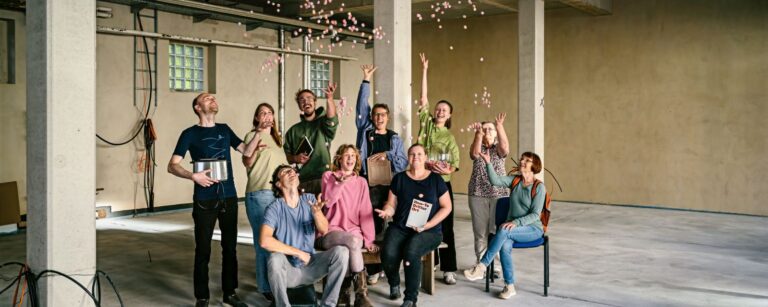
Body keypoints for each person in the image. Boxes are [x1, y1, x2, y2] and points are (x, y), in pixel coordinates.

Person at [168, 93, 261, 307]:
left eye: (214, 97)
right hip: (204, 199)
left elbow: (246, 150)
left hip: (228, 196)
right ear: (197, 107)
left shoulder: (225, 129)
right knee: (203, 249)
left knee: (230, 247)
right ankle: (202, 297)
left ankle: (230, 293)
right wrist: (193, 176)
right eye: (207, 98)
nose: (213, 99)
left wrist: (258, 132)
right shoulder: (189, 134)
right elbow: (171, 165)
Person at [260, 165, 349, 307]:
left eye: (293, 170)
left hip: (311, 266)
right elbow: (265, 241)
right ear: (278, 183)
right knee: (275, 258)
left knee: (342, 252)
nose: (291, 172)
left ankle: (328, 305)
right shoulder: (274, 208)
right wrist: (299, 253)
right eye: (285, 172)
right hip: (289, 270)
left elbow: (324, 229)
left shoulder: (309, 199)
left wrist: (317, 213)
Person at [376, 144, 453, 307]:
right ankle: (394, 281)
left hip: (429, 231)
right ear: (408, 158)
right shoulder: (399, 178)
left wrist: (428, 224)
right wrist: (387, 212)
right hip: (401, 227)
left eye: (419, 154)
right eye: (411, 154)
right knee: (388, 252)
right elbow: (391, 204)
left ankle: (410, 299)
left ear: (425, 157)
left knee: (411, 251)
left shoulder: (436, 180)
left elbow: (447, 207)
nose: (415, 157)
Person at [463, 152, 547, 300]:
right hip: (513, 229)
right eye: (522, 159)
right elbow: (495, 180)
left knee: (503, 229)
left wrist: (516, 222)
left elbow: (535, 215)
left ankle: (482, 267)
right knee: (504, 245)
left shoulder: (539, 187)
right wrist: (488, 162)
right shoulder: (515, 181)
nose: (522, 161)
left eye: (527, 160)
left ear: (534, 166)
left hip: (533, 229)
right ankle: (510, 286)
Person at [354, 64, 408, 285]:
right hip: (369, 184)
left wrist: (387, 155)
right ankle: (374, 268)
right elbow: (361, 108)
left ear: (388, 117)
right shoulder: (365, 131)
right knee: (372, 226)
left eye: (383, 115)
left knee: (392, 227)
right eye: (375, 115)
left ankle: (390, 263)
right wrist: (366, 81)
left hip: (390, 186)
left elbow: (403, 162)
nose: (379, 118)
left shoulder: (394, 139)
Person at [416, 53, 460, 285]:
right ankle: (428, 263)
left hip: (442, 184)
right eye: (438, 108)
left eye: (445, 110)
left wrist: (444, 166)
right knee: (423, 221)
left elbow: (454, 164)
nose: (440, 111)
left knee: (446, 224)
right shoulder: (426, 124)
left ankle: (449, 268)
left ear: (450, 115)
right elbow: (423, 97)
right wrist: (424, 70)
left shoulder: (450, 138)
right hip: (423, 181)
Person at [318, 145, 376, 307]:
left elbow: (366, 211)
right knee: (352, 242)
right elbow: (328, 202)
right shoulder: (328, 176)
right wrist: (339, 183)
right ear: (339, 159)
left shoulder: (361, 182)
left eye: (353, 155)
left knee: (351, 245)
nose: (350, 158)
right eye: (346, 155)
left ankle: (345, 295)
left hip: (354, 232)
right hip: (331, 231)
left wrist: (369, 239)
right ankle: (361, 295)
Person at [241, 103, 287, 301]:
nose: (267, 116)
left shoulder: (278, 140)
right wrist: (258, 135)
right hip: (259, 194)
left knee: (275, 240)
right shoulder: (252, 136)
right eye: (263, 113)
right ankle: (266, 287)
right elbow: (247, 161)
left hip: (277, 195)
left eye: (270, 113)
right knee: (263, 242)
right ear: (257, 118)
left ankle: (275, 282)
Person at [467, 114, 510, 278]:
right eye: (484, 129)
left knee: (496, 230)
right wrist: (478, 134)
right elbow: (474, 154)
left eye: (490, 129)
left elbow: (505, 149)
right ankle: (481, 264)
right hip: (477, 194)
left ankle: (496, 265)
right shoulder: (478, 145)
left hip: (498, 195)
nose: (487, 132)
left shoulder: (498, 149)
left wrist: (499, 126)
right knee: (480, 232)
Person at [283, 82, 339, 195]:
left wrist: (329, 98)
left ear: (315, 102)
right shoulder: (293, 131)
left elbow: (332, 118)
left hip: (323, 179)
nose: (306, 101)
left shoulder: (323, 123)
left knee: (324, 213)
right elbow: (287, 157)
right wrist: (295, 158)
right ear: (299, 105)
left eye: (309, 98)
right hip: (302, 181)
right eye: (301, 100)